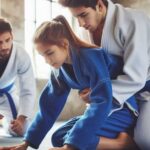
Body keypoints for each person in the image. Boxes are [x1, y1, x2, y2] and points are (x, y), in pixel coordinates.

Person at [0, 15, 142, 150]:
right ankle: (116, 144)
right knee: (59, 137)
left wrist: (71, 147)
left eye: (49, 53)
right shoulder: (58, 69)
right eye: (43, 56)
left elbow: (102, 101)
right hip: (102, 109)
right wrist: (26, 142)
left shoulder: (91, 57)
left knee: (73, 140)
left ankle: (121, 145)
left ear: (64, 44)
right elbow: (48, 108)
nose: (47, 61)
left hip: (120, 108)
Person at [58, 0, 150, 149]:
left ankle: (127, 137)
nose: (81, 23)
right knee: (64, 136)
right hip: (114, 96)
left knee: (145, 141)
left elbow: (136, 78)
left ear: (99, 6)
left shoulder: (133, 21)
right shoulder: (84, 31)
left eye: (84, 15)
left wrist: (97, 93)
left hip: (144, 90)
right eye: (76, 18)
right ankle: (120, 142)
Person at [0, 17, 36, 136]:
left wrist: (20, 119)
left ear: (12, 36)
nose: (4, 47)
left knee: (22, 129)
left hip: (6, 95)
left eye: (7, 40)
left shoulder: (21, 55)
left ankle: (5, 123)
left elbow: (27, 90)